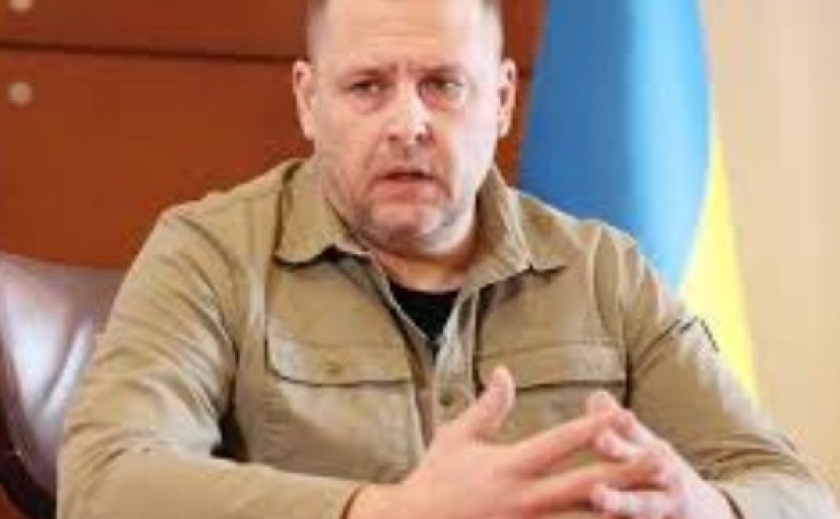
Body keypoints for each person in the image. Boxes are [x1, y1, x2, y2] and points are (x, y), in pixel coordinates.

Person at [58, 0, 838, 517]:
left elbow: (801, 495)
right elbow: (101, 483)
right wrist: (381, 512)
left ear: (501, 99)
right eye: (367, 86)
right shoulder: (210, 254)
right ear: (307, 100)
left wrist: (702, 505)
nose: (408, 123)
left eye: (442, 84)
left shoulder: (606, 271)